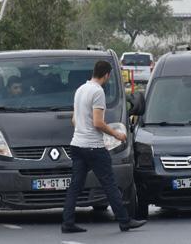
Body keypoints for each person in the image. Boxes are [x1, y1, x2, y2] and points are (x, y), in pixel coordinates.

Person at [61, 61, 145, 233]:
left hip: (77, 145)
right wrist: (117, 134)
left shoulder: (80, 90)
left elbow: (74, 120)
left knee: (75, 186)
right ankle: (124, 221)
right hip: (93, 147)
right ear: (106, 75)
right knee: (109, 184)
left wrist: (83, 129)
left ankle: (67, 223)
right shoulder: (98, 92)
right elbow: (98, 122)